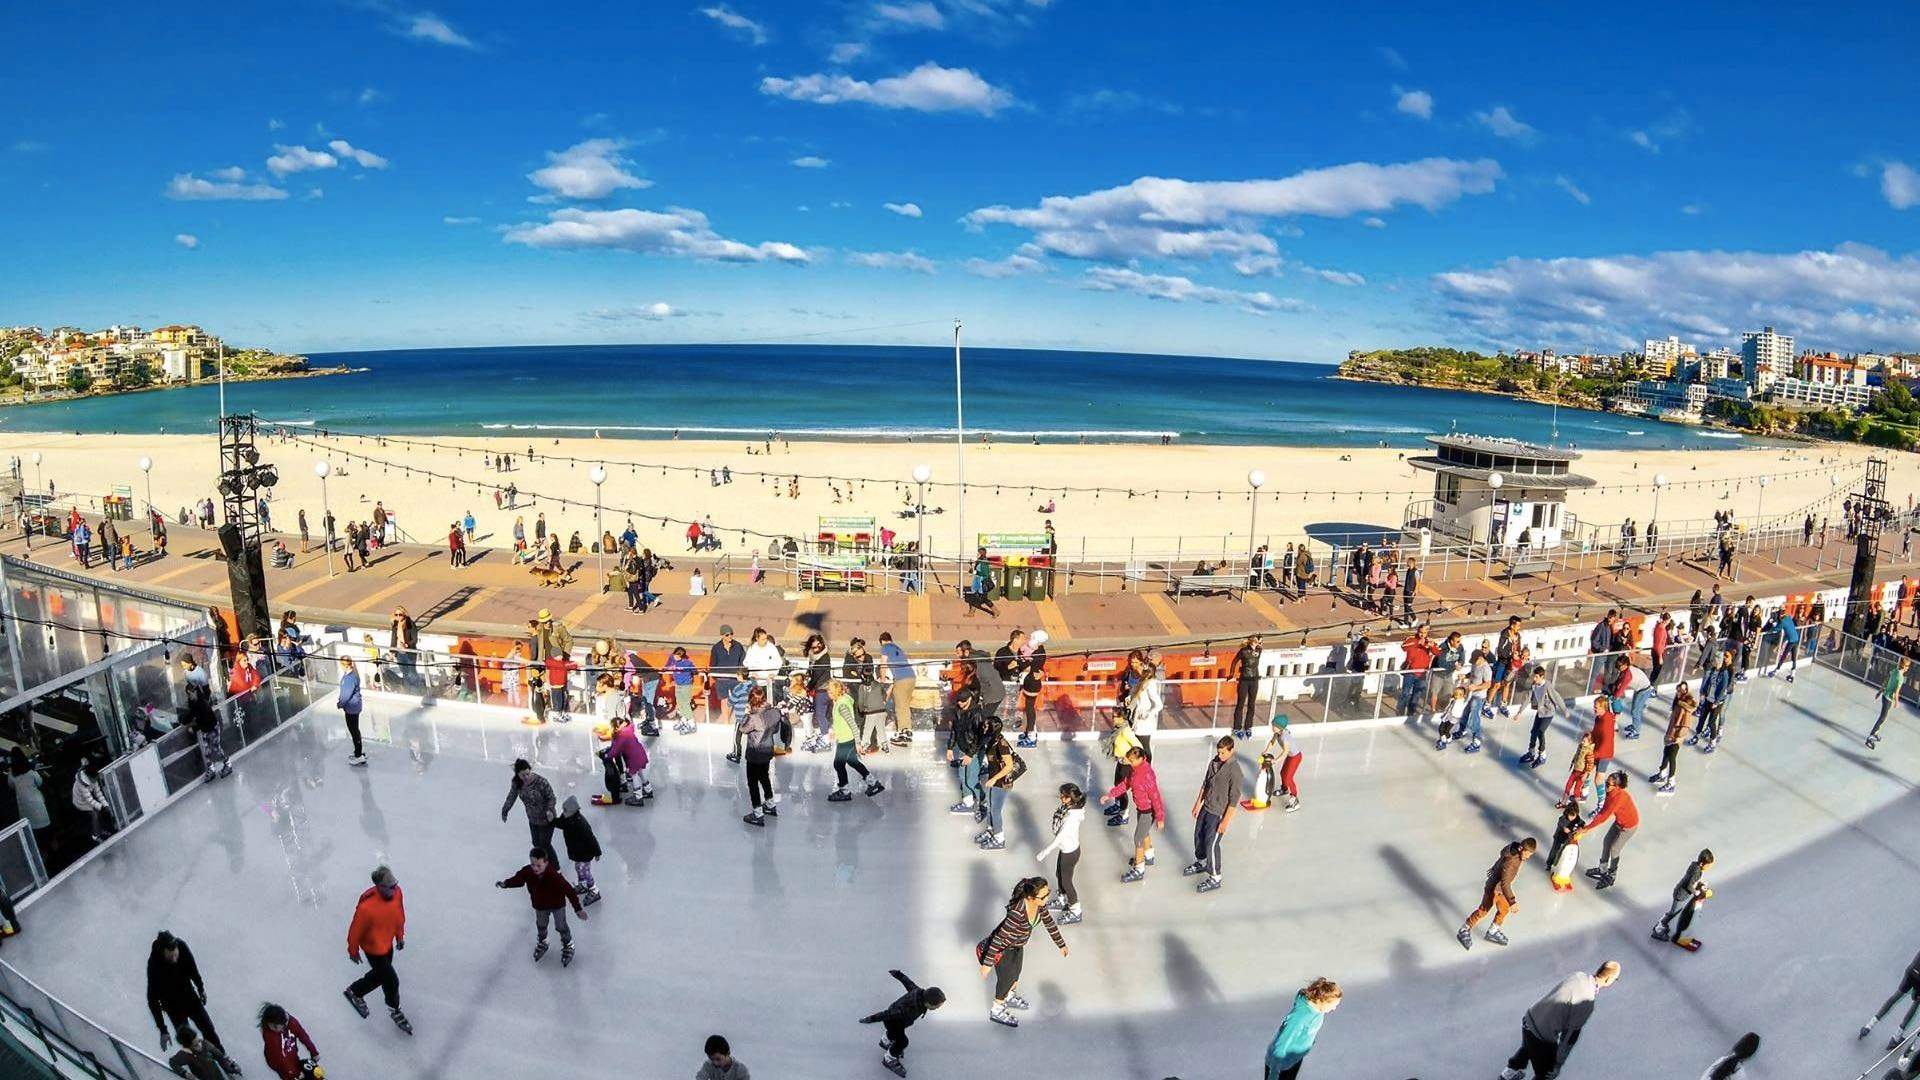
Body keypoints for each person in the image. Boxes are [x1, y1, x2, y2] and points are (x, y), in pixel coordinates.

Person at [1498, 963, 1621, 1080]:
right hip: (1542, 1034)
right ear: (1608, 979)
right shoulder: (1587, 1002)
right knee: (1546, 1074)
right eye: (1616, 979)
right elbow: (1569, 1037)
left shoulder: (1578, 975)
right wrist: (1557, 1064)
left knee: (1528, 1047)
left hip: (1530, 1017)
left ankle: (1508, 1075)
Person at [974, 877, 1068, 1029]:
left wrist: (1061, 944)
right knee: (1006, 979)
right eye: (1043, 896)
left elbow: (1049, 922)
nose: (1047, 898)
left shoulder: (1039, 904)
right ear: (1031, 897)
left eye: (1048, 893)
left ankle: (1009, 997)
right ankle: (997, 1010)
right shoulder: (1017, 913)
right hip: (1003, 949)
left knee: (1016, 973)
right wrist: (987, 964)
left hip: (1018, 945)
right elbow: (999, 938)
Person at [147, 932, 241, 1073]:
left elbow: (192, 968)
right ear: (162, 952)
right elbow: (152, 999)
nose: (174, 958)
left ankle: (223, 1059)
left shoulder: (181, 947)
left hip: (190, 997)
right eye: (171, 956)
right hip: (173, 1007)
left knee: (208, 1029)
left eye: (176, 954)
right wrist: (163, 1029)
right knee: (189, 1041)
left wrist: (201, 988)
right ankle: (202, 1070)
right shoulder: (154, 966)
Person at [343, 865, 412, 1034]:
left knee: (381, 975)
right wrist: (353, 950)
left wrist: (400, 936)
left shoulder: (397, 893)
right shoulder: (367, 908)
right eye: (390, 886)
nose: (394, 889)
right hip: (373, 949)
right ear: (379, 886)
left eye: (395, 884)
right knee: (391, 980)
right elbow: (355, 929)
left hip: (387, 944)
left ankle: (355, 991)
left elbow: (399, 916)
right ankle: (395, 1010)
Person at [496, 845, 589, 967]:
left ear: (546, 863)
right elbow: (518, 879)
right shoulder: (527, 871)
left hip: (557, 905)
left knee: (561, 925)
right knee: (541, 924)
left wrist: (578, 909)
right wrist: (506, 884)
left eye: (538, 865)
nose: (535, 868)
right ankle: (543, 941)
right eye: (532, 864)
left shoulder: (554, 876)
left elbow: (569, 891)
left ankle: (568, 944)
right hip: (540, 905)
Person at [858, 969, 946, 1077]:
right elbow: (887, 1014)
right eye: (937, 1006)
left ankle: (885, 1041)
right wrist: (870, 1019)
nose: (937, 1008)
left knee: (894, 1033)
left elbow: (907, 982)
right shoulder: (909, 1009)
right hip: (894, 1020)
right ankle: (889, 1060)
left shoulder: (918, 992)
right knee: (902, 1042)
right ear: (928, 1003)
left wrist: (898, 974)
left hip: (899, 1020)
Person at [1185, 735, 1242, 892]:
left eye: (1223, 753)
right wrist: (1198, 803)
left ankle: (1215, 876)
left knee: (1211, 844)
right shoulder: (1214, 762)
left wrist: (1225, 822)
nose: (1220, 755)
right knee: (1199, 836)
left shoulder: (1235, 771)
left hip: (1218, 813)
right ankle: (1202, 862)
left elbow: (1234, 800)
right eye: (1219, 752)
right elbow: (1206, 784)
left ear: (1231, 751)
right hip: (1206, 807)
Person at [1458, 837, 1537, 949]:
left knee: (1504, 909)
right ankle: (1464, 929)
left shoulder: (1512, 850)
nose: (1528, 857)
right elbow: (1505, 884)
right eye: (1527, 853)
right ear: (1520, 848)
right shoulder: (1512, 862)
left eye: (1530, 854)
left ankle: (1493, 931)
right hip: (1494, 889)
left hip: (1500, 890)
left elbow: (1501, 857)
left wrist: (1495, 868)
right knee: (1483, 911)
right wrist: (1512, 901)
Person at [1101, 746, 1164, 882]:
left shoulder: (1146, 774)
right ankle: (1148, 855)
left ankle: (1139, 869)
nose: (1129, 763)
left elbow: (1155, 796)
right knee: (1144, 832)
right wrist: (1110, 794)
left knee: (1138, 838)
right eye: (1129, 760)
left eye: (1132, 760)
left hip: (1148, 811)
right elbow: (1125, 785)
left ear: (1141, 759)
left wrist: (1159, 816)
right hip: (1141, 809)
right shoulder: (1134, 771)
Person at [1264, 977, 1343, 1080]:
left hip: (1294, 1058)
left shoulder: (1318, 1009)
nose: (1334, 1008)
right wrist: (1274, 1074)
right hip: (1281, 1065)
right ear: (1321, 1000)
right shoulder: (1300, 1017)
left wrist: (1308, 1042)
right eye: (1332, 1005)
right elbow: (1281, 1045)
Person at [1576, 772, 1639, 890]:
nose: (1605, 786)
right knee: (1607, 841)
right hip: (1619, 822)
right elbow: (1603, 811)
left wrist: (1587, 829)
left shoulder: (1619, 798)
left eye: (1608, 784)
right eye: (1606, 782)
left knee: (1614, 849)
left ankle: (1612, 875)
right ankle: (1602, 869)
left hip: (1629, 826)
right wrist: (1587, 827)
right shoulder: (1611, 792)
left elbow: (1604, 817)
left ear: (1617, 786)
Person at [1034, 783, 1086, 924]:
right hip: (1066, 850)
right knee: (1059, 875)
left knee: (1066, 881)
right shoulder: (1068, 809)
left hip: (1070, 852)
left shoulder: (1071, 817)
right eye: (1061, 795)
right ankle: (1062, 899)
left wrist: (1045, 852)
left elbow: (1059, 838)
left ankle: (1076, 910)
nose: (1061, 798)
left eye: (1064, 796)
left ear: (1071, 798)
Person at [826, 678, 884, 802]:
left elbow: (852, 724)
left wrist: (858, 743)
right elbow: (840, 722)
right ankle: (873, 783)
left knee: (838, 764)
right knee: (852, 761)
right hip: (844, 737)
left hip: (846, 740)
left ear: (836, 692)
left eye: (830, 692)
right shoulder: (841, 700)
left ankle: (845, 790)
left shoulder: (842, 705)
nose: (828, 694)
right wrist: (834, 731)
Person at [181, 654, 232, 782]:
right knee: (207, 750)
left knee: (216, 748)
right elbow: (192, 714)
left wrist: (194, 726)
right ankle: (211, 768)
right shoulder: (193, 703)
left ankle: (227, 763)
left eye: (191, 694)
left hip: (211, 727)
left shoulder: (202, 703)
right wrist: (184, 720)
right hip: (204, 728)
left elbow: (202, 717)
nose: (190, 696)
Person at [1651, 848, 1714, 950]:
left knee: (1674, 912)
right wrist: (1696, 892)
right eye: (1708, 865)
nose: (1709, 867)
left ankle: (1661, 926)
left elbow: (1692, 880)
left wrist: (1699, 884)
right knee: (1673, 913)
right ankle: (1658, 929)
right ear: (1702, 864)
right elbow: (1689, 885)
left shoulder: (1695, 865)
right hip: (1680, 895)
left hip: (1681, 893)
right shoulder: (1696, 871)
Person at [1862, 946, 1920, 1050]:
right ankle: (1896, 1037)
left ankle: (1869, 1025)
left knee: (1896, 996)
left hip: (1911, 971)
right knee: (1916, 1003)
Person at [740, 687, 781, 826]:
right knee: (764, 777)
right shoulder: (773, 712)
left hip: (755, 753)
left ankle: (757, 813)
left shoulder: (753, 717)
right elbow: (775, 729)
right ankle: (770, 804)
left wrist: (746, 714)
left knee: (752, 782)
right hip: (767, 751)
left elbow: (743, 728)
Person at [976, 727, 1022, 850]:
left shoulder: (1001, 744)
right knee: (991, 807)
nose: (984, 728)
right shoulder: (992, 740)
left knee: (995, 811)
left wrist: (994, 779)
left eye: (987, 726)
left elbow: (1009, 766)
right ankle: (991, 830)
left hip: (1002, 783)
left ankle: (999, 838)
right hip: (995, 781)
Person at [501, 758, 558, 854]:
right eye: (523, 775)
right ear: (518, 774)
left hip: (547, 818)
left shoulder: (541, 782)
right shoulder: (516, 783)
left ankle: (556, 867)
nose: (526, 777)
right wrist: (505, 810)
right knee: (536, 843)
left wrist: (549, 810)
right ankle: (543, 866)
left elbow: (551, 797)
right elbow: (511, 797)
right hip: (533, 818)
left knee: (545, 845)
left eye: (528, 773)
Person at [554, 797, 603, 905]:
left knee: (584, 870)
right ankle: (583, 885)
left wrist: (597, 852)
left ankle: (594, 890)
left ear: (573, 811)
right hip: (577, 852)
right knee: (578, 868)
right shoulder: (566, 818)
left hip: (586, 853)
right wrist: (552, 821)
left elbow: (591, 838)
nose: (563, 812)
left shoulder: (581, 824)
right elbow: (561, 824)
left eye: (565, 810)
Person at [1517, 665, 1567, 769]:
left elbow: (1557, 697)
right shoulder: (1534, 686)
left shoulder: (1547, 686)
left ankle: (1542, 755)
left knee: (1540, 731)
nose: (1534, 679)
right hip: (1540, 712)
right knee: (1533, 731)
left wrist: (1565, 710)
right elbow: (1527, 698)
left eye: (1536, 677)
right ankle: (1531, 753)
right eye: (1534, 677)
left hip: (1548, 713)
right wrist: (1519, 712)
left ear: (1542, 677)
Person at [1651, 682, 1695, 794]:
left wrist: (1678, 738)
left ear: (1686, 691)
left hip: (1676, 736)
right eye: (1678, 689)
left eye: (1681, 690)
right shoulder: (1678, 703)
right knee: (1666, 753)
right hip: (1671, 733)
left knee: (1672, 757)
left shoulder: (1684, 707)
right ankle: (1662, 774)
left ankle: (1671, 782)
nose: (1678, 692)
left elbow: (1686, 724)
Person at [256, 1003, 318, 1080]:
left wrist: (313, 1051)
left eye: (276, 1027)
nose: (274, 1029)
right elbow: (280, 1057)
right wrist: (294, 1073)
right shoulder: (270, 1036)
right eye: (271, 1026)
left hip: (292, 1054)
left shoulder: (292, 1022)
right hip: (278, 1063)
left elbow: (303, 1035)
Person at [879, 632, 917, 745]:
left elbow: (883, 664)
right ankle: (908, 730)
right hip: (911, 678)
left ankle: (902, 733)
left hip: (901, 679)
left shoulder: (885, 647)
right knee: (905, 705)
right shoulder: (898, 648)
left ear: (882, 641)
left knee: (900, 706)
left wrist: (882, 679)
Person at [1870, 655, 1910, 750]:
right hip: (1888, 699)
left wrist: (1880, 692)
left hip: (1884, 696)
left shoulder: (1894, 671)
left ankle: (1875, 733)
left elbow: (1886, 681)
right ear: (1904, 666)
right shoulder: (1900, 678)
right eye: (1907, 666)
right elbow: (1897, 692)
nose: (1908, 668)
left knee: (1883, 717)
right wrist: (1897, 702)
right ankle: (1871, 735)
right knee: (1882, 718)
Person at [168, 1026, 236, 1080]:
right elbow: (172, 1062)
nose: (197, 1040)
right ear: (187, 1044)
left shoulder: (204, 1043)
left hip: (218, 1076)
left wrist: (228, 1069)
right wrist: (185, 1073)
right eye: (195, 1045)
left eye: (196, 1038)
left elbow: (219, 1055)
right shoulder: (185, 1054)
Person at [1230, 636, 1263, 739]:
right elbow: (1234, 661)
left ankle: (1248, 726)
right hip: (1244, 679)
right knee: (1240, 704)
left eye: (1259, 642)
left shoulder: (1259, 650)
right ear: (1252, 642)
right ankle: (1237, 727)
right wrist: (1231, 674)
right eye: (1257, 641)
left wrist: (1260, 643)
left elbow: (1255, 658)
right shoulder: (1243, 651)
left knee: (1251, 704)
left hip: (1254, 680)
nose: (1259, 643)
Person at [336, 655, 367, 766]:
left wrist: (340, 703)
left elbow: (346, 694)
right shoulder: (351, 674)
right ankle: (358, 752)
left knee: (353, 730)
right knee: (355, 730)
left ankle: (358, 755)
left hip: (352, 707)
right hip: (354, 706)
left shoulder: (349, 678)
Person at [72, 756, 111, 843]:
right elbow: (89, 800)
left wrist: (105, 805)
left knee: (99, 811)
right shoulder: (82, 784)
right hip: (80, 802)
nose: (96, 780)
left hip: (87, 799)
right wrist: (102, 807)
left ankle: (100, 830)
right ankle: (95, 835)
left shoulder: (93, 778)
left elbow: (98, 793)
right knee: (95, 813)